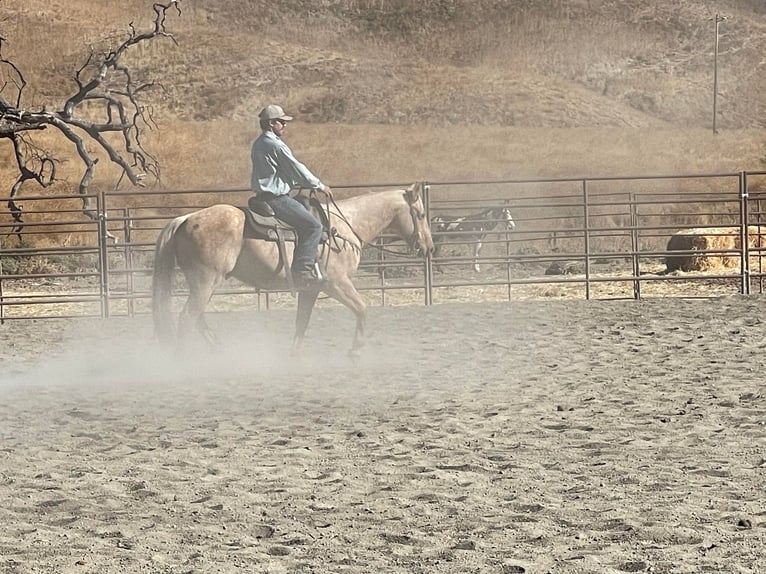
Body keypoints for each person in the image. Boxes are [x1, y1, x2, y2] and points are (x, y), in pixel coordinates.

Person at [250, 104, 332, 289]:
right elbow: (296, 166)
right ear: (272, 123)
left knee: (303, 205)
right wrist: (318, 185)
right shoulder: (274, 144)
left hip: (265, 196)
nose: (284, 126)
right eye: (282, 122)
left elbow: (280, 171)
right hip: (276, 198)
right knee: (313, 226)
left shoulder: (259, 143)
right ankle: (302, 270)